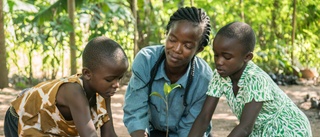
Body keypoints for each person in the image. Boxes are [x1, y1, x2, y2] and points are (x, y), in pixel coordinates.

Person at [188, 22, 312, 137]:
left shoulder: (256, 79)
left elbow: (246, 127)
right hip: (261, 131)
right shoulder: (219, 75)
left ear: (247, 57)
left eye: (227, 57)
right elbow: (204, 117)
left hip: (289, 130)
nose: (219, 62)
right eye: (216, 55)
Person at [4, 36, 129, 137]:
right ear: (87, 74)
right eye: (109, 79)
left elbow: (108, 134)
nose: (116, 84)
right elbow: (89, 135)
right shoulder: (74, 92)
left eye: (119, 78)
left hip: (50, 126)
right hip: (23, 116)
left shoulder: (104, 91)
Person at [123, 6, 213, 137]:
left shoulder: (204, 78)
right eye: (172, 39)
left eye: (187, 46)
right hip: (151, 132)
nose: (177, 49)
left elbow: (192, 127)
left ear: (199, 49)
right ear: (166, 34)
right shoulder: (146, 61)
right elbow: (135, 110)